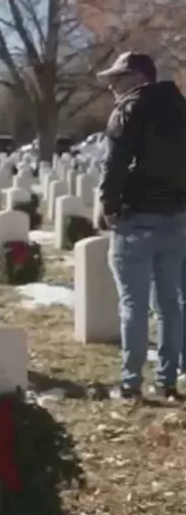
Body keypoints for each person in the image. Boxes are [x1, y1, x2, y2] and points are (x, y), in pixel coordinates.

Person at [95, 52, 186, 401]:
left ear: (137, 78)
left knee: (133, 304)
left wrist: (109, 205)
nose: (111, 86)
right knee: (170, 304)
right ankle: (168, 381)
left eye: (117, 78)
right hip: (176, 216)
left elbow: (114, 163)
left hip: (137, 216)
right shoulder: (181, 108)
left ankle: (131, 382)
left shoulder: (129, 110)